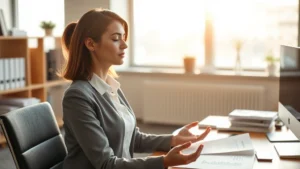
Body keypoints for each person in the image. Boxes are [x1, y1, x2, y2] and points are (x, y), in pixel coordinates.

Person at [61, 8, 211, 169]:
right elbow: (106, 164)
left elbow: (132, 138)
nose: (124, 45)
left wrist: (173, 140)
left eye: (124, 38)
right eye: (116, 39)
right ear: (91, 44)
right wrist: (163, 162)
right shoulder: (77, 97)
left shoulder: (110, 86)